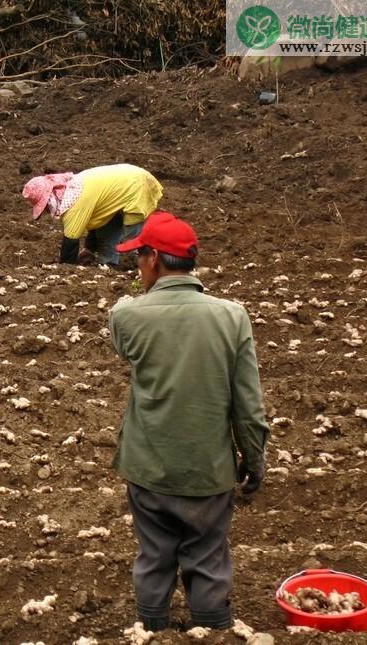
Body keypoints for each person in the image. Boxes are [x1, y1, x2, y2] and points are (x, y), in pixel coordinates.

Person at [107, 211, 270, 631]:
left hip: (149, 468)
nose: (137, 265)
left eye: (139, 256)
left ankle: (152, 630)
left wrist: (132, 300)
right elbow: (248, 406)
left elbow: (122, 322)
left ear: (155, 259)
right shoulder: (233, 317)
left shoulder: (128, 316)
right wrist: (253, 461)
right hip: (208, 471)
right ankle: (212, 628)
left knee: (155, 554)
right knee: (208, 555)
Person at [22, 164, 163, 267]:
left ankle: (146, 265)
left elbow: (70, 242)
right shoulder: (72, 187)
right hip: (125, 183)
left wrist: (65, 269)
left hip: (136, 186)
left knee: (132, 239)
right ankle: (109, 265)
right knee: (105, 230)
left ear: (49, 199)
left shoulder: (74, 205)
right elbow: (97, 218)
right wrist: (89, 249)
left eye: (44, 206)